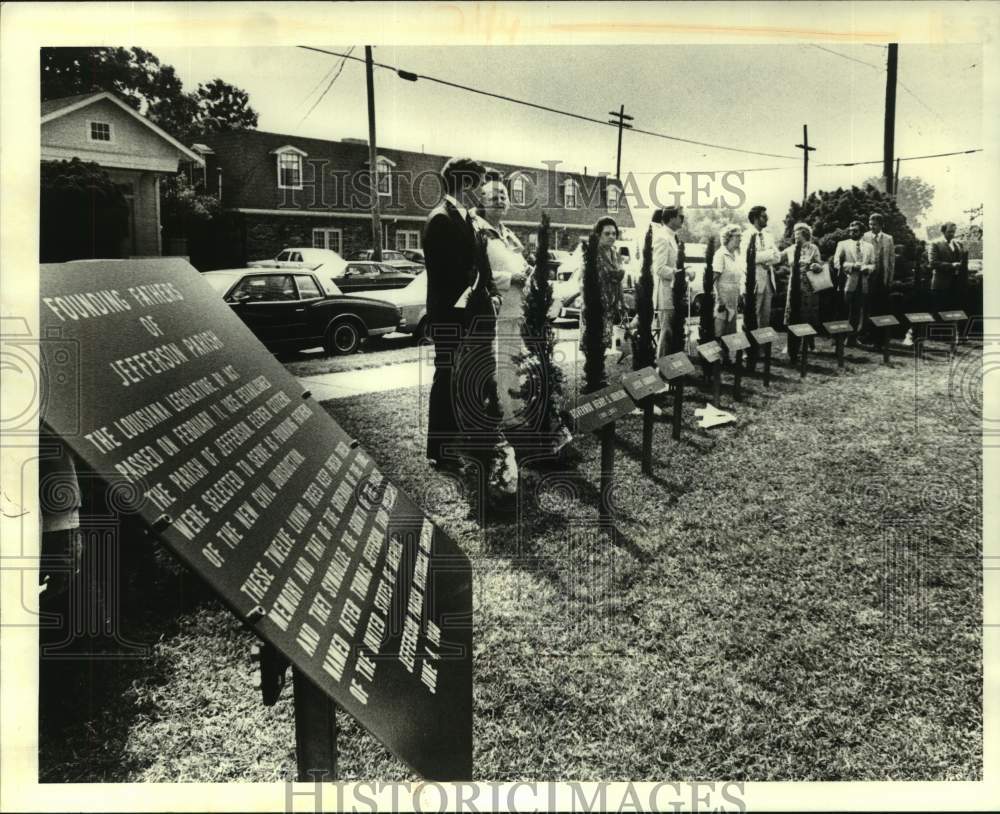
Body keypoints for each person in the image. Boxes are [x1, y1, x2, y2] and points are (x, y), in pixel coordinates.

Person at [422, 156, 502, 470]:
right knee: (446, 377)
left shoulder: (467, 218)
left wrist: (489, 293)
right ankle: (440, 450)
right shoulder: (440, 218)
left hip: (468, 313)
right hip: (448, 315)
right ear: (465, 183)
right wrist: (473, 292)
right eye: (479, 184)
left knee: (462, 378)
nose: (482, 191)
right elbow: (447, 275)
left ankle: (458, 442)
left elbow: (477, 264)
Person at [472, 172, 529, 430]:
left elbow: (521, 260)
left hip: (516, 308)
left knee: (514, 364)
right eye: (494, 197)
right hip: (495, 310)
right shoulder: (475, 229)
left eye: (503, 196)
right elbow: (474, 272)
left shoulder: (505, 232)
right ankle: (500, 416)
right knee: (498, 366)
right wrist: (509, 277)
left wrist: (526, 271)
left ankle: (515, 411)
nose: (500, 201)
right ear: (481, 200)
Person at [579, 216, 625, 355]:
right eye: (607, 233)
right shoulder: (591, 254)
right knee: (592, 346)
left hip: (610, 307)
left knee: (603, 344)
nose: (611, 236)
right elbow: (583, 281)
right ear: (598, 235)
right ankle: (592, 376)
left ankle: (599, 374)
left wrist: (622, 301)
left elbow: (619, 281)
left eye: (614, 233)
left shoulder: (615, 254)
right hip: (595, 306)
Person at [652, 206, 695, 358]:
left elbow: (674, 265)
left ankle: (673, 368)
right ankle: (663, 368)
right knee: (667, 333)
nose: (683, 220)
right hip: (666, 294)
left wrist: (684, 271)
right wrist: (682, 274)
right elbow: (659, 268)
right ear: (670, 218)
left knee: (675, 331)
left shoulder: (672, 237)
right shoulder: (662, 237)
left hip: (675, 292)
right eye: (681, 217)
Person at [781, 222, 823, 361]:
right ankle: (791, 345)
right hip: (794, 287)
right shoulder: (791, 249)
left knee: (808, 315)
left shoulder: (813, 248)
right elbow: (777, 258)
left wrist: (816, 266)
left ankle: (809, 344)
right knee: (792, 314)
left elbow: (819, 264)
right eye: (794, 234)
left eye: (798, 234)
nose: (795, 237)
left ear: (805, 235)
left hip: (809, 286)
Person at [835, 220, 876, 346]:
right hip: (847, 281)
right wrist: (852, 266)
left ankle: (852, 338)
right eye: (851, 230)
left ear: (861, 232)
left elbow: (873, 263)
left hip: (862, 282)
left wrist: (867, 268)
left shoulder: (869, 246)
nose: (852, 232)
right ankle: (838, 339)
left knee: (856, 311)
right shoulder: (843, 244)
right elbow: (836, 263)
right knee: (843, 310)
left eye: (855, 230)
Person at [741, 205, 781, 331]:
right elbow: (749, 257)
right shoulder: (746, 235)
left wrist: (767, 261)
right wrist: (769, 254)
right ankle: (751, 349)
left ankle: (762, 349)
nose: (767, 219)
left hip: (768, 282)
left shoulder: (768, 236)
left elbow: (778, 257)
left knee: (765, 318)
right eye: (764, 216)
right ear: (755, 218)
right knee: (752, 316)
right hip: (754, 282)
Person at [712, 225, 742, 339]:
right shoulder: (720, 254)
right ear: (728, 237)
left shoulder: (736, 255)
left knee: (731, 332)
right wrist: (720, 300)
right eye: (737, 236)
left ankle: (727, 357)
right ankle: (718, 356)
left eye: (740, 236)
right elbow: (714, 279)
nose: (740, 239)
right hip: (722, 301)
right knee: (719, 332)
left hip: (733, 299)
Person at [929, 221, 967, 308]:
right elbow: (933, 263)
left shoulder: (958, 244)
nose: (952, 234)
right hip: (941, 285)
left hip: (956, 285)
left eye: (954, 232)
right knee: (941, 313)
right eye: (949, 232)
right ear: (943, 231)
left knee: (954, 313)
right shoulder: (935, 244)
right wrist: (952, 265)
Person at [864, 213, 895, 288]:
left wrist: (890, 280)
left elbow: (891, 261)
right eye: (870, 224)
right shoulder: (864, 237)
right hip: (868, 277)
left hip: (882, 277)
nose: (871, 227)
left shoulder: (889, 239)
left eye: (874, 225)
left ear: (881, 225)